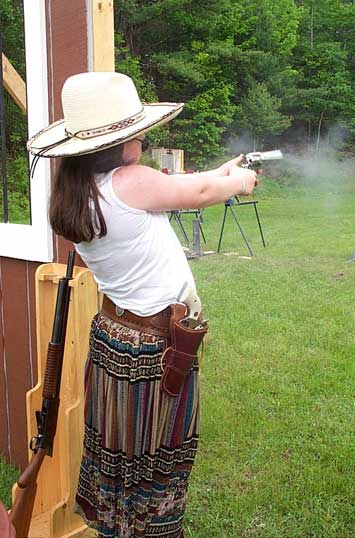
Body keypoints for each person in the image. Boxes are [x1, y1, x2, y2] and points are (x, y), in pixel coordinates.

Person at [27, 72, 259, 538]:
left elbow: (180, 187)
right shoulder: (131, 181)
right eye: (134, 130)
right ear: (117, 143)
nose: (143, 135)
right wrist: (240, 182)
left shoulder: (77, 189)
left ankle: (118, 526)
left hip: (117, 337)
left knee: (120, 450)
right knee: (155, 454)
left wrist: (220, 172)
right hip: (155, 346)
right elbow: (193, 194)